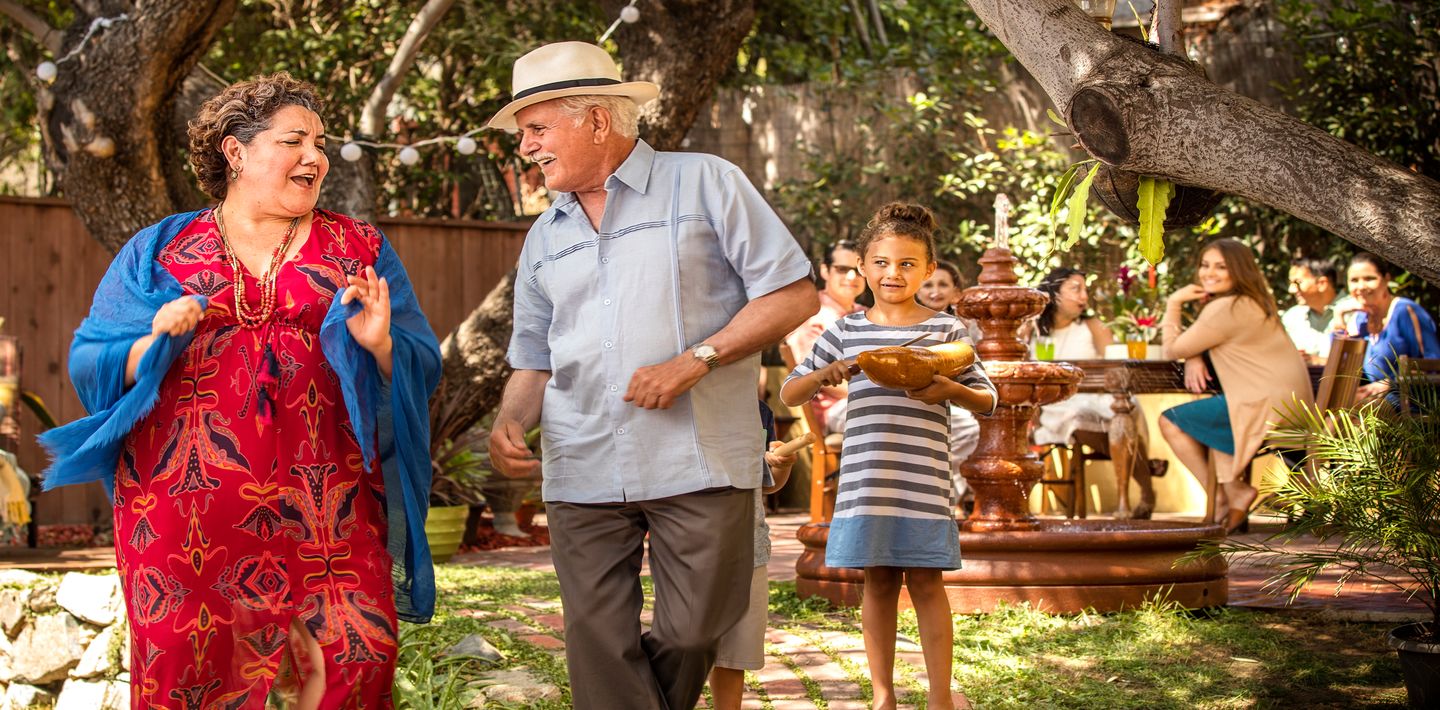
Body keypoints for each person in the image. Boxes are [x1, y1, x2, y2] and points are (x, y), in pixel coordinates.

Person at [37, 73, 441, 707]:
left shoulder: (358, 249)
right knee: (191, 674)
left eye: (321, 142)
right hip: (184, 515)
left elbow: (423, 360)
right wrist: (152, 343)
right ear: (236, 151)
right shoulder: (161, 251)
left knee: (353, 658)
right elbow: (90, 358)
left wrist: (382, 344)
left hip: (328, 505)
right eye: (294, 140)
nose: (316, 156)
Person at [484, 42, 818, 710]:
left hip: (696, 459)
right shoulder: (544, 234)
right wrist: (510, 419)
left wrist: (699, 359)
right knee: (597, 638)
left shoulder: (706, 183)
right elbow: (533, 356)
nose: (525, 147)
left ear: (598, 121)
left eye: (537, 128)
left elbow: (793, 295)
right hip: (581, 463)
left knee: (696, 627)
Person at [781, 202, 997, 710]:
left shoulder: (947, 331)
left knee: (926, 583)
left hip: (922, 482)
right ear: (862, 267)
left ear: (927, 269)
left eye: (906, 264)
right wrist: (822, 375)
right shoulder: (844, 332)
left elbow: (987, 399)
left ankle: (940, 697)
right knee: (877, 583)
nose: (892, 273)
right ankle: (884, 696)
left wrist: (947, 387)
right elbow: (791, 392)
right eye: (880, 263)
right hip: (865, 480)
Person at [1158, 239, 1313, 533]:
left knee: (1171, 422)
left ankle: (1219, 496)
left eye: (1221, 266)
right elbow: (1197, 344)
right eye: (1205, 265)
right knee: (1215, 418)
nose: (1208, 273)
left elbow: (1171, 349)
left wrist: (1174, 303)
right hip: (1291, 406)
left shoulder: (1225, 308)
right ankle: (1233, 491)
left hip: (1263, 407)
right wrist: (1195, 354)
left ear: (1238, 271)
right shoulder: (1252, 302)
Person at [1031, 267, 1165, 518]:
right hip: (1056, 403)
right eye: (1075, 289)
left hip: (1097, 396)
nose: (1084, 296)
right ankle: (1144, 475)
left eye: (1085, 290)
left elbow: (1114, 362)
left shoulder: (1092, 325)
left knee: (1122, 412)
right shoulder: (1033, 329)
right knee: (1079, 418)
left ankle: (1130, 498)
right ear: (1054, 294)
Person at [707, 401, 796, 710]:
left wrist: (781, 466)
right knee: (684, 647)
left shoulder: (759, 411)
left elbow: (765, 483)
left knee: (734, 652)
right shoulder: (683, 402)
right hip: (690, 549)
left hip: (749, 544)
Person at [783, 240, 866, 435]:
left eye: (858, 269)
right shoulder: (811, 315)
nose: (852, 276)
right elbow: (813, 375)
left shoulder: (869, 314)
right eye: (842, 269)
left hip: (873, 400)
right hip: (834, 409)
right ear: (825, 271)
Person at [917, 260, 981, 506]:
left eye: (943, 285)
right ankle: (947, 495)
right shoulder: (909, 324)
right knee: (968, 426)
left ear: (956, 293)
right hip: (924, 398)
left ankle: (953, 494)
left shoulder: (966, 327)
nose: (935, 291)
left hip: (958, 399)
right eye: (928, 285)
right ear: (917, 290)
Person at [1342, 252, 1439, 402]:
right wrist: (1339, 318)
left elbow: (1433, 364)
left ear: (1387, 279)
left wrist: (1390, 384)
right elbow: (1341, 370)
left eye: (1369, 278)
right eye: (1354, 280)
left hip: (1412, 403)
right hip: (1373, 399)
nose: (1361, 286)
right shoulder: (1359, 319)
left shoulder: (1405, 311)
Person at [1282, 256, 1356, 364]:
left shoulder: (1355, 310)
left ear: (1322, 283)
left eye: (1298, 283)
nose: (1291, 290)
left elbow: (1363, 363)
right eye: (1290, 283)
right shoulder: (1291, 317)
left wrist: (1317, 361)